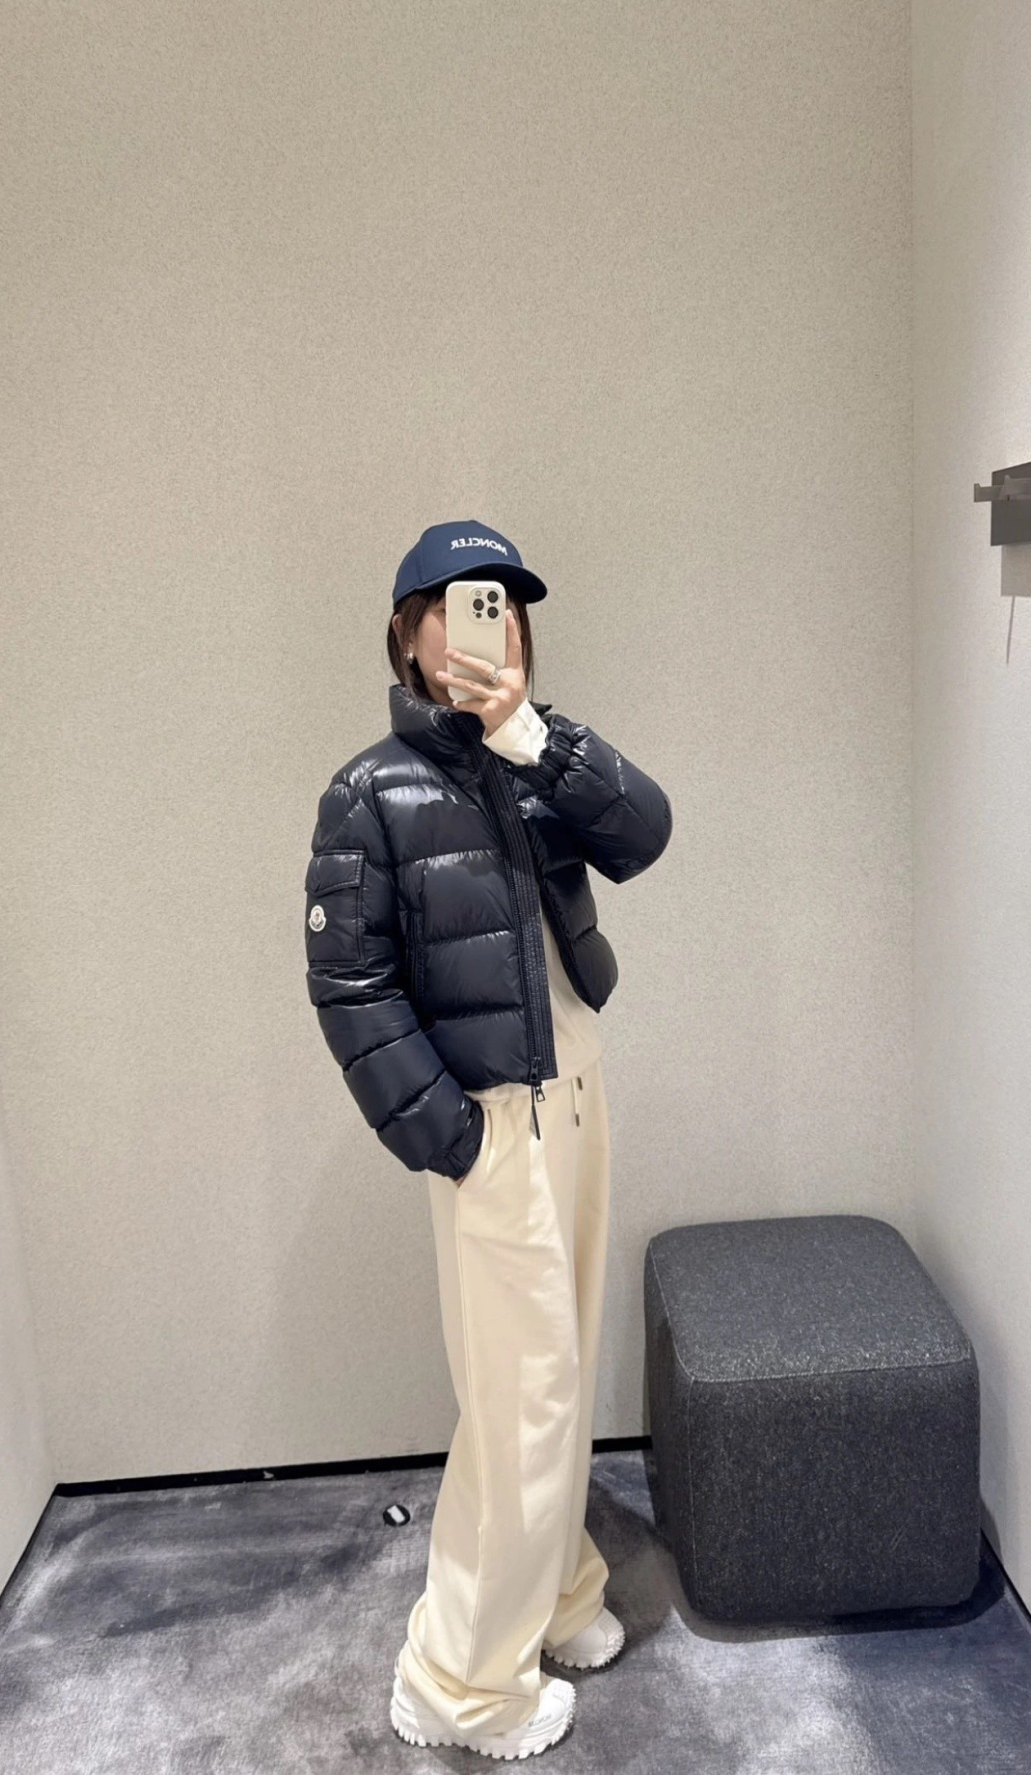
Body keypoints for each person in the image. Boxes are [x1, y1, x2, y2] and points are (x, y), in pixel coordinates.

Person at [303, 520, 672, 1759]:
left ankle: (556, 1588)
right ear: (410, 635)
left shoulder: (537, 755)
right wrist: (449, 1135)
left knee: (557, 1382)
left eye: (507, 607)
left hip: (580, 1095)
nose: (491, 626)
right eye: (463, 606)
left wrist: (530, 735)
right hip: (493, 1125)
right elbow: (350, 986)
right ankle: (459, 1682)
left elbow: (645, 831)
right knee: (524, 1399)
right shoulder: (369, 792)